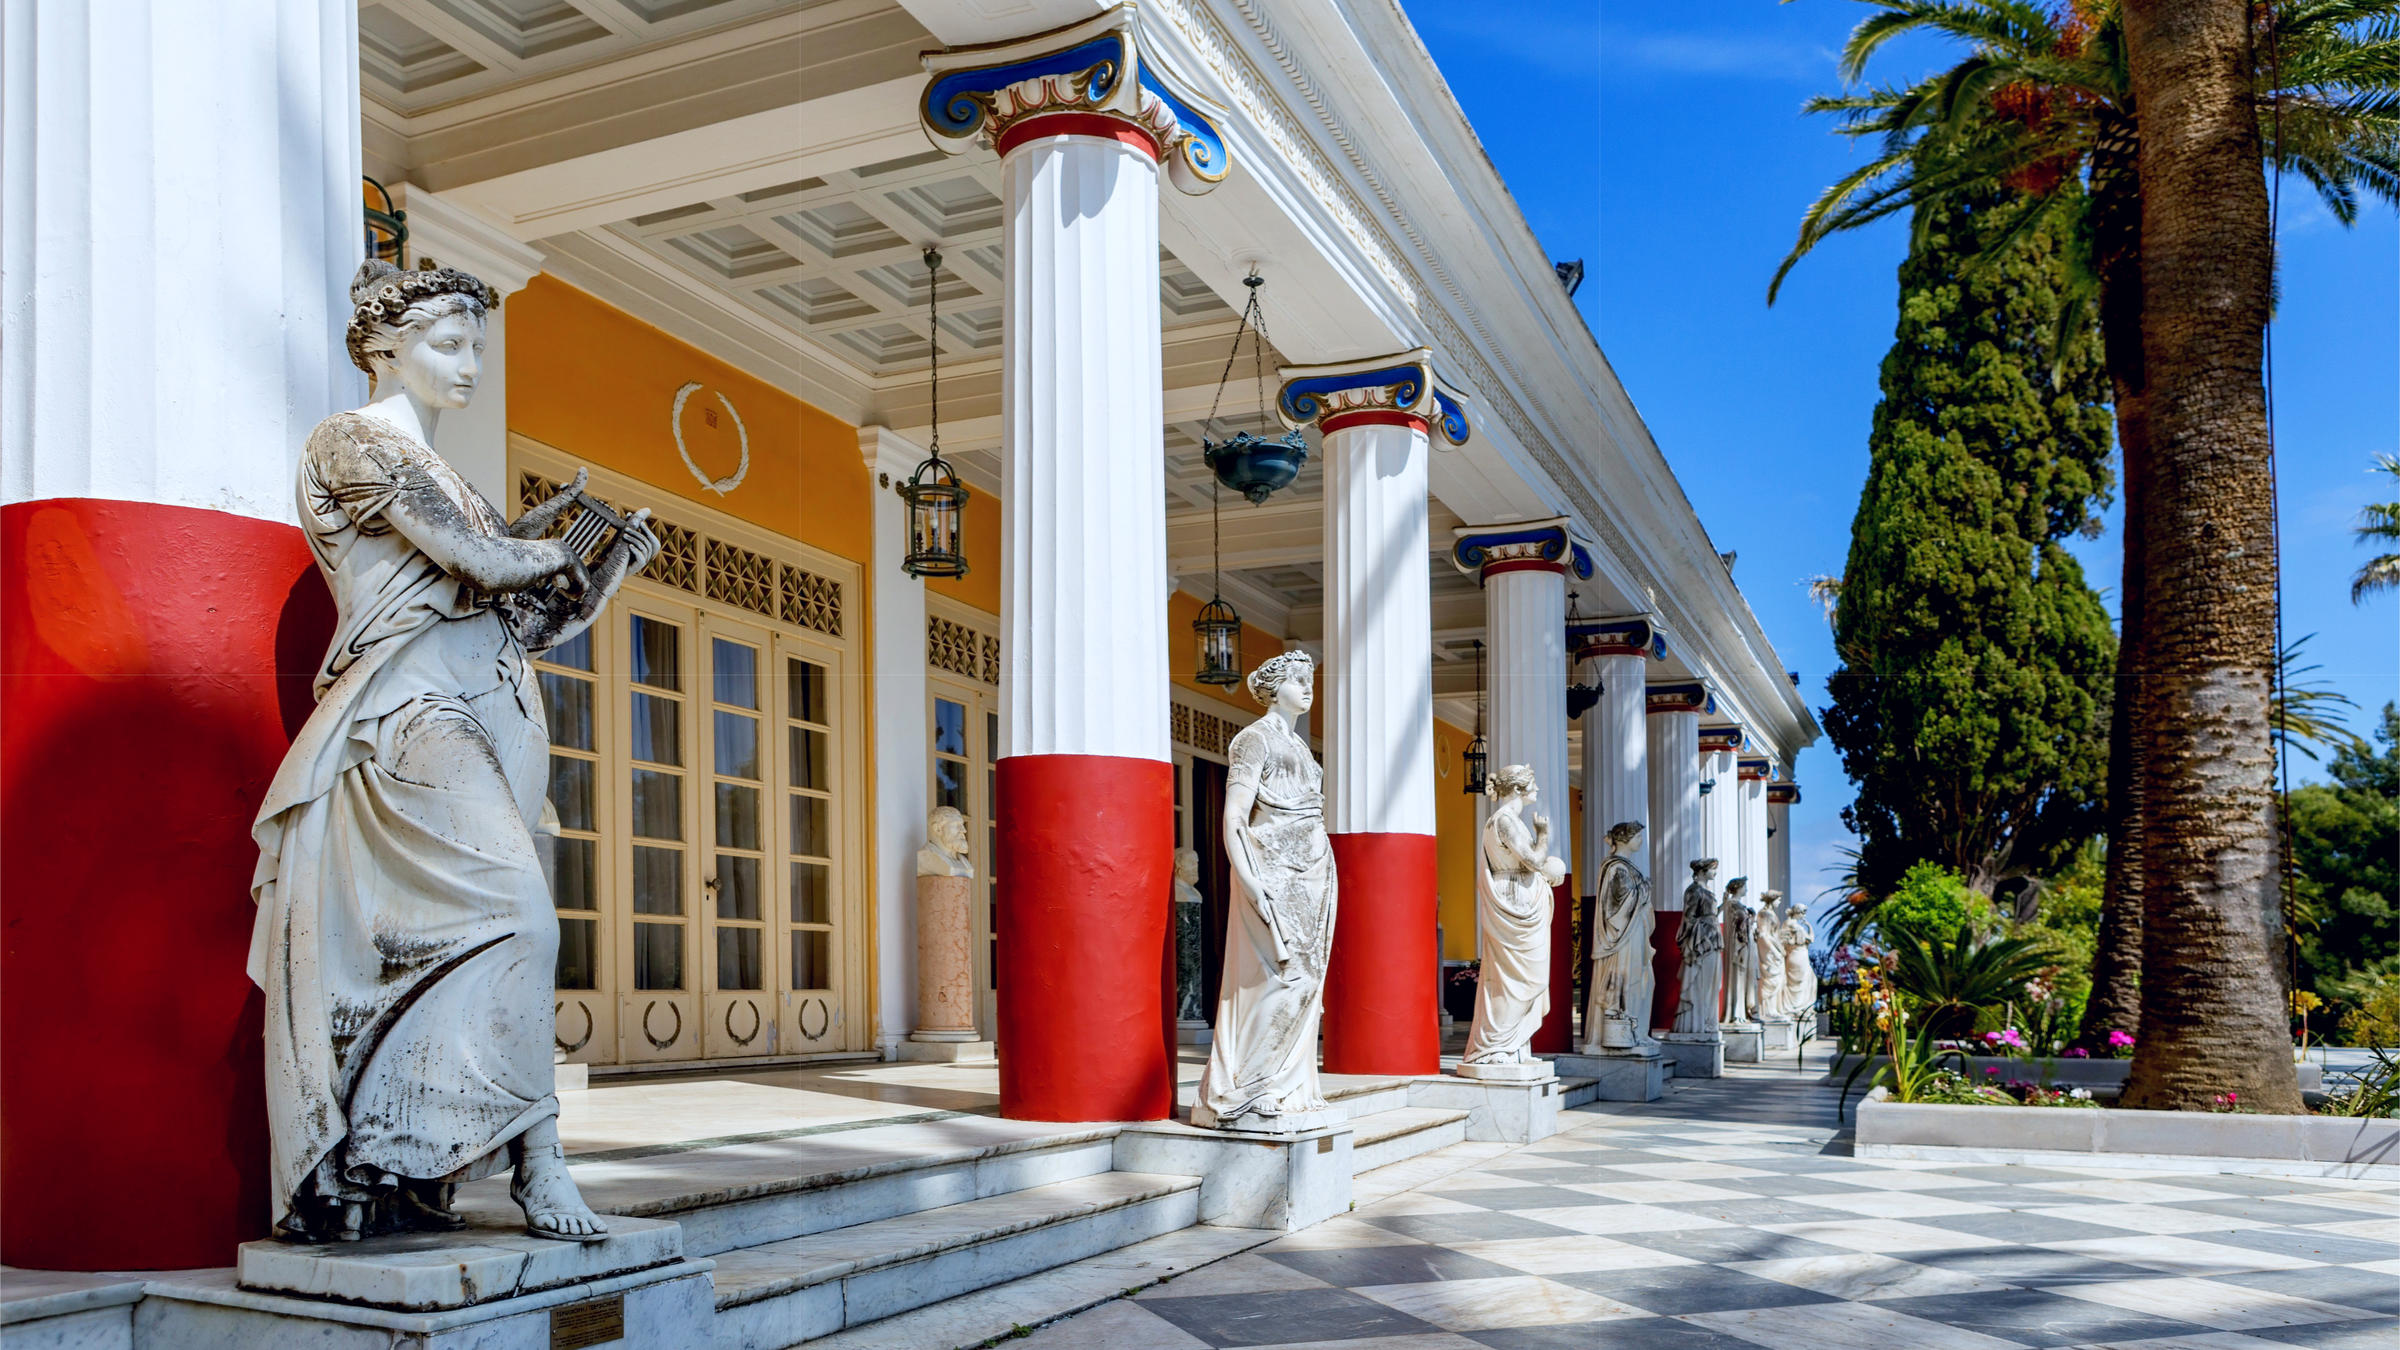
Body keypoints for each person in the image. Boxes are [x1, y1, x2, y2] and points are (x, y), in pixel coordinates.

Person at [249, 260, 656, 1243]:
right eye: (447, 342)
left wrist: (603, 572)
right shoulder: (350, 442)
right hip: (409, 713)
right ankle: (541, 1166)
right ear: (384, 347)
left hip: (488, 712)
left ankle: (401, 1155)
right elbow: (483, 564)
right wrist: (554, 544)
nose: (468, 362)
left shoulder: (454, 483)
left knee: (455, 952)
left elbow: (521, 615)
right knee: (520, 921)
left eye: (477, 343)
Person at [1191, 651, 1336, 1130]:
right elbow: (1234, 816)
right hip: (1272, 870)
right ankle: (1250, 1086)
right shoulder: (1253, 740)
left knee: (1309, 979)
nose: (1307, 686)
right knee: (1281, 976)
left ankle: (1289, 1083)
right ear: (1275, 688)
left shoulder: (1303, 749)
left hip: (1312, 877)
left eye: (1309, 677)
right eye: (1298, 678)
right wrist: (1249, 879)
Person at [1462, 764, 1566, 1068]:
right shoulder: (1505, 821)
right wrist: (1544, 834)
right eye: (1533, 784)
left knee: (1523, 978)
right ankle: (1496, 1047)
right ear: (1519, 789)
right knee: (1513, 979)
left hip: (1522, 899)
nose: (1538, 789)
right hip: (1515, 902)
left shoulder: (1510, 821)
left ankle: (1515, 1047)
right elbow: (1533, 861)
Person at [1581, 821, 1655, 1050]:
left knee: (1645, 980)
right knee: (1628, 980)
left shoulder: (1627, 867)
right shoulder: (1616, 868)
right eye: (1638, 836)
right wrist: (1644, 890)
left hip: (1635, 933)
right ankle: (1624, 1032)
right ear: (1626, 839)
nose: (1641, 841)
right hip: (1623, 937)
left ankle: (1638, 1029)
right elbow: (1615, 909)